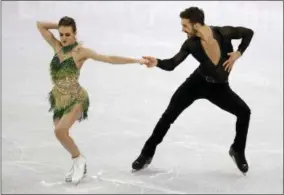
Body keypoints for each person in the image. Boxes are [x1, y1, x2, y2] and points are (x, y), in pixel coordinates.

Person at [132, 7, 254, 175]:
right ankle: (146, 154)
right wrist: (157, 62)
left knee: (244, 112)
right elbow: (172, 64)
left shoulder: (223, 32)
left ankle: (237, 150)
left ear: (196, 25)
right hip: (196, 84)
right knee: (168, 116)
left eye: (185, 25)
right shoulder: (191, 44)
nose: (182, 29)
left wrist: (238, 53)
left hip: (219, 88)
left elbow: (249, 32)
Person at [36, 16, 147, 184]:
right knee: (62, 134)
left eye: (67, 34)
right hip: (59, 99)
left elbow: (108, 59)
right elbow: (40, 25)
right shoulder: (57, 47)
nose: (64, 38)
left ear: (75, 33)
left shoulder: (81, 52)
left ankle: (79, 160)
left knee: (59, 131)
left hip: (76, 98)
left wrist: (136, 60)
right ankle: (77, 161)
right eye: (61, 34)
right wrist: (57, 25)